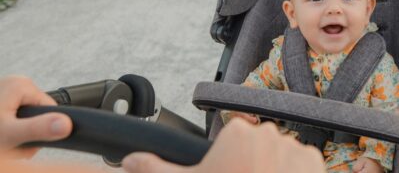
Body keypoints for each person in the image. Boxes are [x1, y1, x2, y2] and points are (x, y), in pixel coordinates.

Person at [222, 0, 399, 173]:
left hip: (345, 156)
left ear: (368, 9)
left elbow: (389, 114)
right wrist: (242, 109)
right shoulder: (286, 54)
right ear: (292, 14)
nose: (334, 9)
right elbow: (259, 84)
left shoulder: (379, 65)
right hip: (288, 150)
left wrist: (376, 158)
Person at [0, 76, 325, 173]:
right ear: (290, 11)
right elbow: (248, 91)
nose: (333, 9)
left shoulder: (378, 70)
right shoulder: (279, 56)